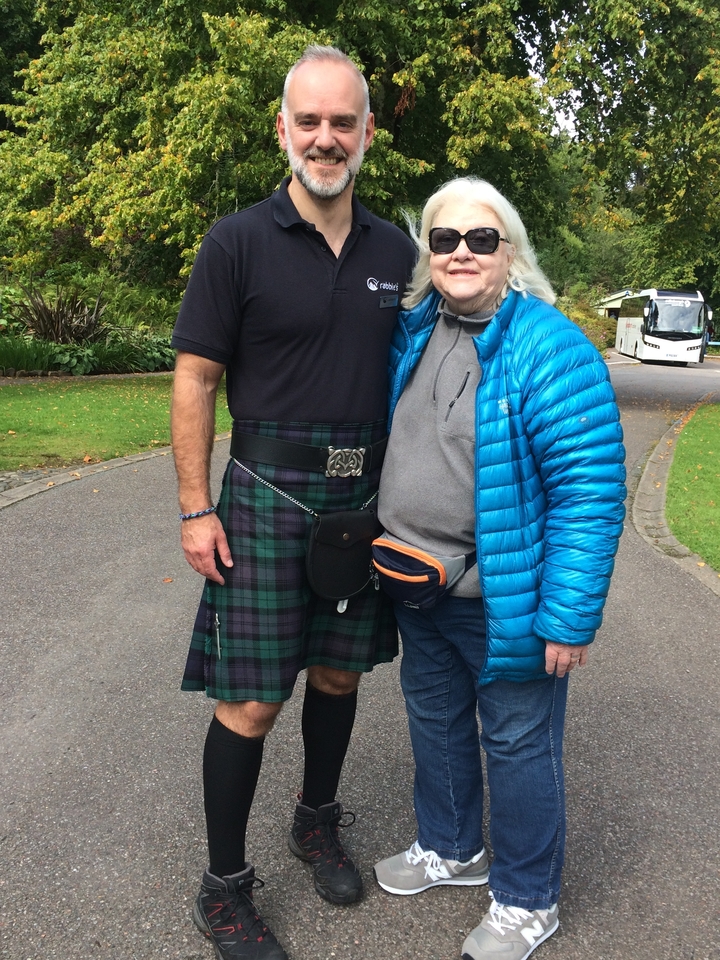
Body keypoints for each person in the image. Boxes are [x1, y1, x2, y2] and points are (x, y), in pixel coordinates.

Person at [170, 45, 416, 960]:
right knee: (251, 699)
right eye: (308, 121)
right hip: (265, 496)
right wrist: (197, 509)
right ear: (283, 129)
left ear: (366, 135)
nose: (325, 137)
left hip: (363, 499)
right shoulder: (235, 241)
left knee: (340, 675)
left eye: (341, 122)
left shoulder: (398, 250)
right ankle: (223, 885)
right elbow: (195, 380)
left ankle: (316, 821)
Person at [372, 177, 626, 960]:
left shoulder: (549, 347)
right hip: (417, 586)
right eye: (444, 239)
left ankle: (527, 901)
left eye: (480, 239)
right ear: (428, 254)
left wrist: (568, 616)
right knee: (435, 724)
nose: (460, 253)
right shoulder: (417, 329)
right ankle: (451, 849)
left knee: (518, 745)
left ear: (509, 253)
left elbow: (590, 491)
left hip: (503, 598)